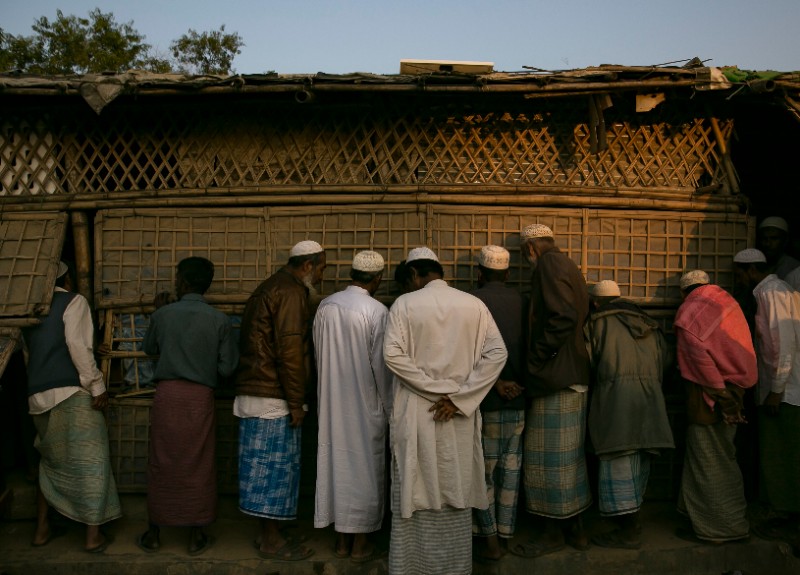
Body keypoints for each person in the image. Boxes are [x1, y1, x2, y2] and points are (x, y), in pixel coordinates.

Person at [383, 246, 507, 575]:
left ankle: (411, 566)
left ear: (413, 274)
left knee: (415, 480)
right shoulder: (474, 305)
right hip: (457, 413)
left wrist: (431, 388)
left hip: (417, 410)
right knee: (455, 482)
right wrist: (458, 398)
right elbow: (497, 353)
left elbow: (392, 356)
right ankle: (453, 567)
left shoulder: (404, 304)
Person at [137, 257, 238, 555]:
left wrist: (159, 316)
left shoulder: (164, 315)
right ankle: (196, 534)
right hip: (199, 399)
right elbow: (227, 367)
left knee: (161, 462)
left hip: (167, 396)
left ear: (182, 282)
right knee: (199, 463)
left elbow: (148, 348)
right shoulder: (220, 320)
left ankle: (154, 532)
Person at [235, 240, 326, 561]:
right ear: (307, 266)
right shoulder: (289, 293)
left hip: (257, 392)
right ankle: (271, 541)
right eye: (321, 269)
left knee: (263, 470)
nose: (320, 277)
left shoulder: (268, 287)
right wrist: (296, 401)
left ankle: (271, 532)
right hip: (273, 397)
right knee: (275, 472)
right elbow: (290, 350)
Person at [22, 261, 121, 552]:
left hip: (37, 397)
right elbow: (78, 346)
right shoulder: (73, 301)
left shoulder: (29, 310)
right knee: (93, 463)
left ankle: (41, 529)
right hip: (71, 393)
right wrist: (97, 386)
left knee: (50, 464)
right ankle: (93, 537)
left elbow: (28, 355)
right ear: (67, 278)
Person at [512, 223, 592, 558]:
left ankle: (551, 532)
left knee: (546, 462)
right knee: (569, 460)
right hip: (573, 376)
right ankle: (575, 529)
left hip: (556, 379)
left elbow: (562, 317)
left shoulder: (548, 264)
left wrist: (537, 358)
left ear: (530, 248)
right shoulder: (568, 264)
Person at [312, 250, 392, 562]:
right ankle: (360, 544)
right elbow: (382, 369)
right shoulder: (376, 311)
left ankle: (341, 543)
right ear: (378, 279)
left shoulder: (325, 306)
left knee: (336, 468)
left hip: (331, 404)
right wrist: (390, 410)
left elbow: (319, 355)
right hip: (364, 405)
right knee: (364, 472)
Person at [584, 279, 674, 549]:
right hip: (651, 402)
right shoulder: (649, 324)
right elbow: (666, 360)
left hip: (616, 404)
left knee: (618, 464)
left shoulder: (596, 323)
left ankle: (628, 531)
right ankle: (630, 524)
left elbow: (587, 362)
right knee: (638, 465)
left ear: (595, 302)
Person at [672, 269, 757, 544]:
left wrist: (720, 397)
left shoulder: (688, 314)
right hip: (739, 387)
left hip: (712, 396)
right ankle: (690, 516)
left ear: (684, 292)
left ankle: (722, 527)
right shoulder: (727, 301)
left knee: (711, 459)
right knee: (710, 454)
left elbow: (702, 364)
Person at [732, 248, 800, 549]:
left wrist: (775, 389)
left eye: (739, 273)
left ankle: (786, 517)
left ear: (749, 271)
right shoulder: (777, 290)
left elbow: (783, 344)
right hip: (782, 389)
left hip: (785, 392)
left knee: (781, 457)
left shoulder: (772, 293)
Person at [469, 245, 526, 563]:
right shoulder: (523, 300)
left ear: (479, 272)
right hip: (519, 399)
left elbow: (471, 353)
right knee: (511, 471)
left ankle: (487, 536)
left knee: (485, 472)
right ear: (507, 273)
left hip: (487, 401)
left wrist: (494, 385)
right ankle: (505, 535)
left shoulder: (472, 301)